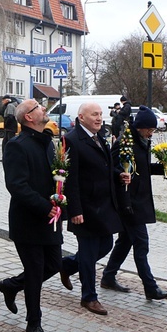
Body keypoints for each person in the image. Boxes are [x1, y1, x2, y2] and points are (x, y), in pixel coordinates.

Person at [0, 99, 63, 332]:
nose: (44, 108)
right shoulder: (17, 145)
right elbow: (16, 185)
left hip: (51, 219)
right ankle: (34, 323)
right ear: (29, 117)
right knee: (35, 273)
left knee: (54, 265)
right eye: (39, 107)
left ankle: (11, 285)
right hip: (29, 220)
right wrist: (44, 206)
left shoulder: (48, 141)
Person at [59, 102, 130, 316]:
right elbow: (69, 179)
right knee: (89, 254)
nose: (99, 118)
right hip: (85, 207)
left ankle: (68, 265)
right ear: (81, 117)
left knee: (106, 244)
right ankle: (89, 297)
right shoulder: (71, 140)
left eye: (100, 114)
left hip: (103, 205)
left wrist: (118, 174)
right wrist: (75, 210)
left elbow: (103, 166)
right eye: (94, 115)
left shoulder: (100, 137)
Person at [102, 106, 167, 300]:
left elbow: (140, 168)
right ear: (140, 127)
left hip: (139, 200)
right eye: (149, 129)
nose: (152, 132)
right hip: (129, 202)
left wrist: (163, 167)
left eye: (153, 129)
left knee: (125, 241)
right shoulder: (125, 143)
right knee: (141, 244)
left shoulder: (142, 141)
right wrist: (120, 176)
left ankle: (108, 276)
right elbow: (111, 168)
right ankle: (150, 287)